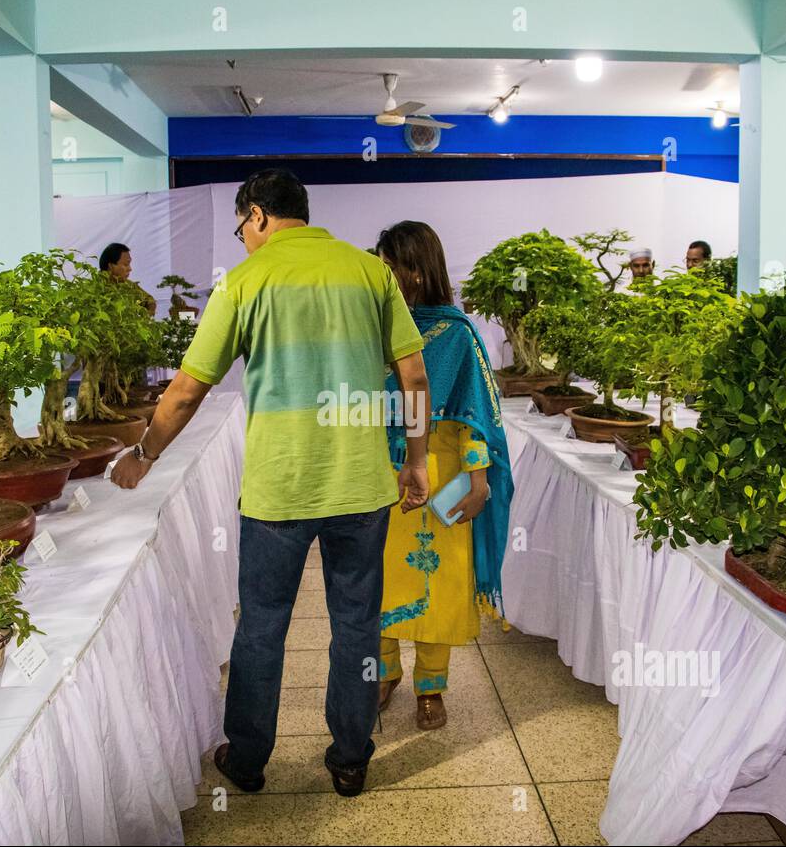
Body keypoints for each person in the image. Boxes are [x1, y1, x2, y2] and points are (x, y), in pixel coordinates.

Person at [110, 168, 432, 798]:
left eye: (240, 228)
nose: (243, 239)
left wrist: (144, 454)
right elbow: (413, 376)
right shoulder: (369, 273)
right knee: (357, 626)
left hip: (278, 490)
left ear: (256, 215)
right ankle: (350, 757)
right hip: (362, 487)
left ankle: (250, 758)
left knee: (261, 625)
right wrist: (416, 460)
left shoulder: (245, 281)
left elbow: (187, 388)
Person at [374, 221, 513, 731]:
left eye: (391, 264)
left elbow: (475, 415)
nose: (384, 273)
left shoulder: (456, 332)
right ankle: (383, 673)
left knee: (440, 580)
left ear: (416, 270)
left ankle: (431, 685)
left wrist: (478, 482)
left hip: (441, 472)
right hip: (378, 473)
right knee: (377, 579)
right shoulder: (375, 326)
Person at [99, 241, 157, 314]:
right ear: (110, 266)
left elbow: (150, 301)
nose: (130, 269)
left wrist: (147, 316)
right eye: (126, 264)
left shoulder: (128, 285)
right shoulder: (94, 287)